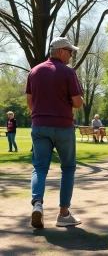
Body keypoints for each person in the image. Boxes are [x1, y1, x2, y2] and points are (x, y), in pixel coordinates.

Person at [26, 37, 83, 228]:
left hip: (39, 125)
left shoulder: (34, 71)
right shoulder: (68, 72)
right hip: (63, 126)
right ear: (60, 51)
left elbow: (29, 101)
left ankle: (38, 205)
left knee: (40, 168)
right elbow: (77, 103)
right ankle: (63, 214)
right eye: (70, 52)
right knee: (68, 168)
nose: (71, 55)